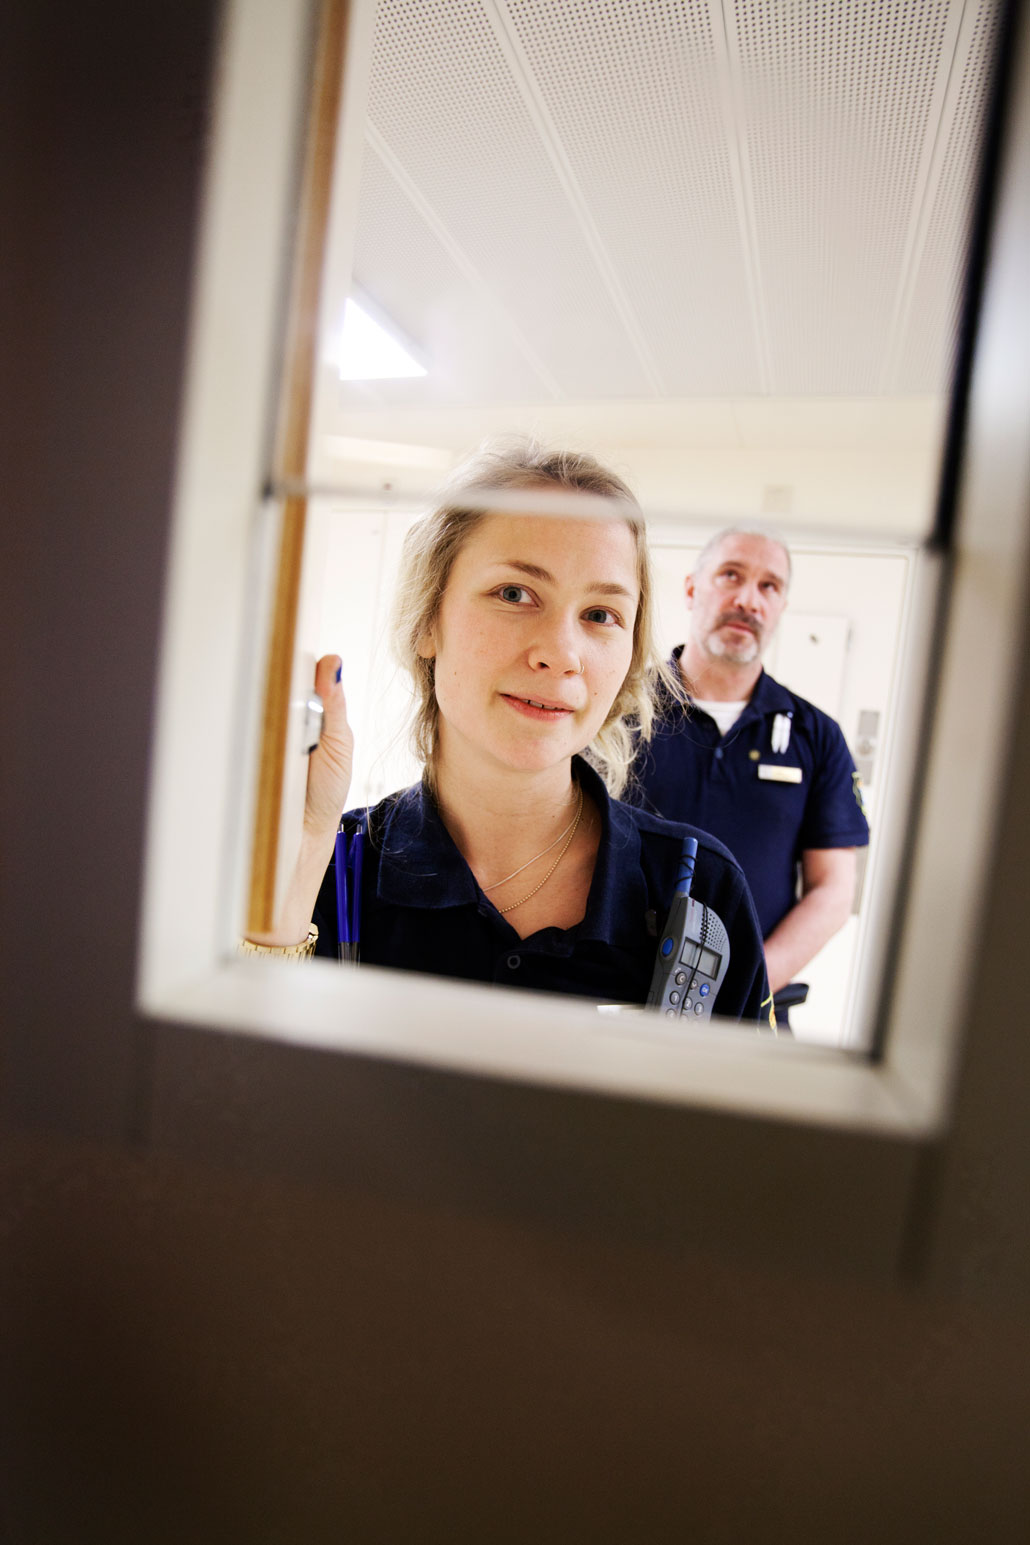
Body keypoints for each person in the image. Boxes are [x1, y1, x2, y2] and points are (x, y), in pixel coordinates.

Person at [243, 444, 773, 1026]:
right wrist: (292, 871)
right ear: (428, 620)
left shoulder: (701, 893)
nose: (561, 654)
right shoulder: (332, 864)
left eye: (600, 614)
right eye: (515, 594)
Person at [630, 526, 869, 1016]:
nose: (748, 599)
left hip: (751, 1007)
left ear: (780, 606)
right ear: (693, 589)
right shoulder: (621, 708)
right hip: (617, 994)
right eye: (731, 575)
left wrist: (747, 984)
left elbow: (833, 890)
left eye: (769, 586)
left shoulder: (816, 736)